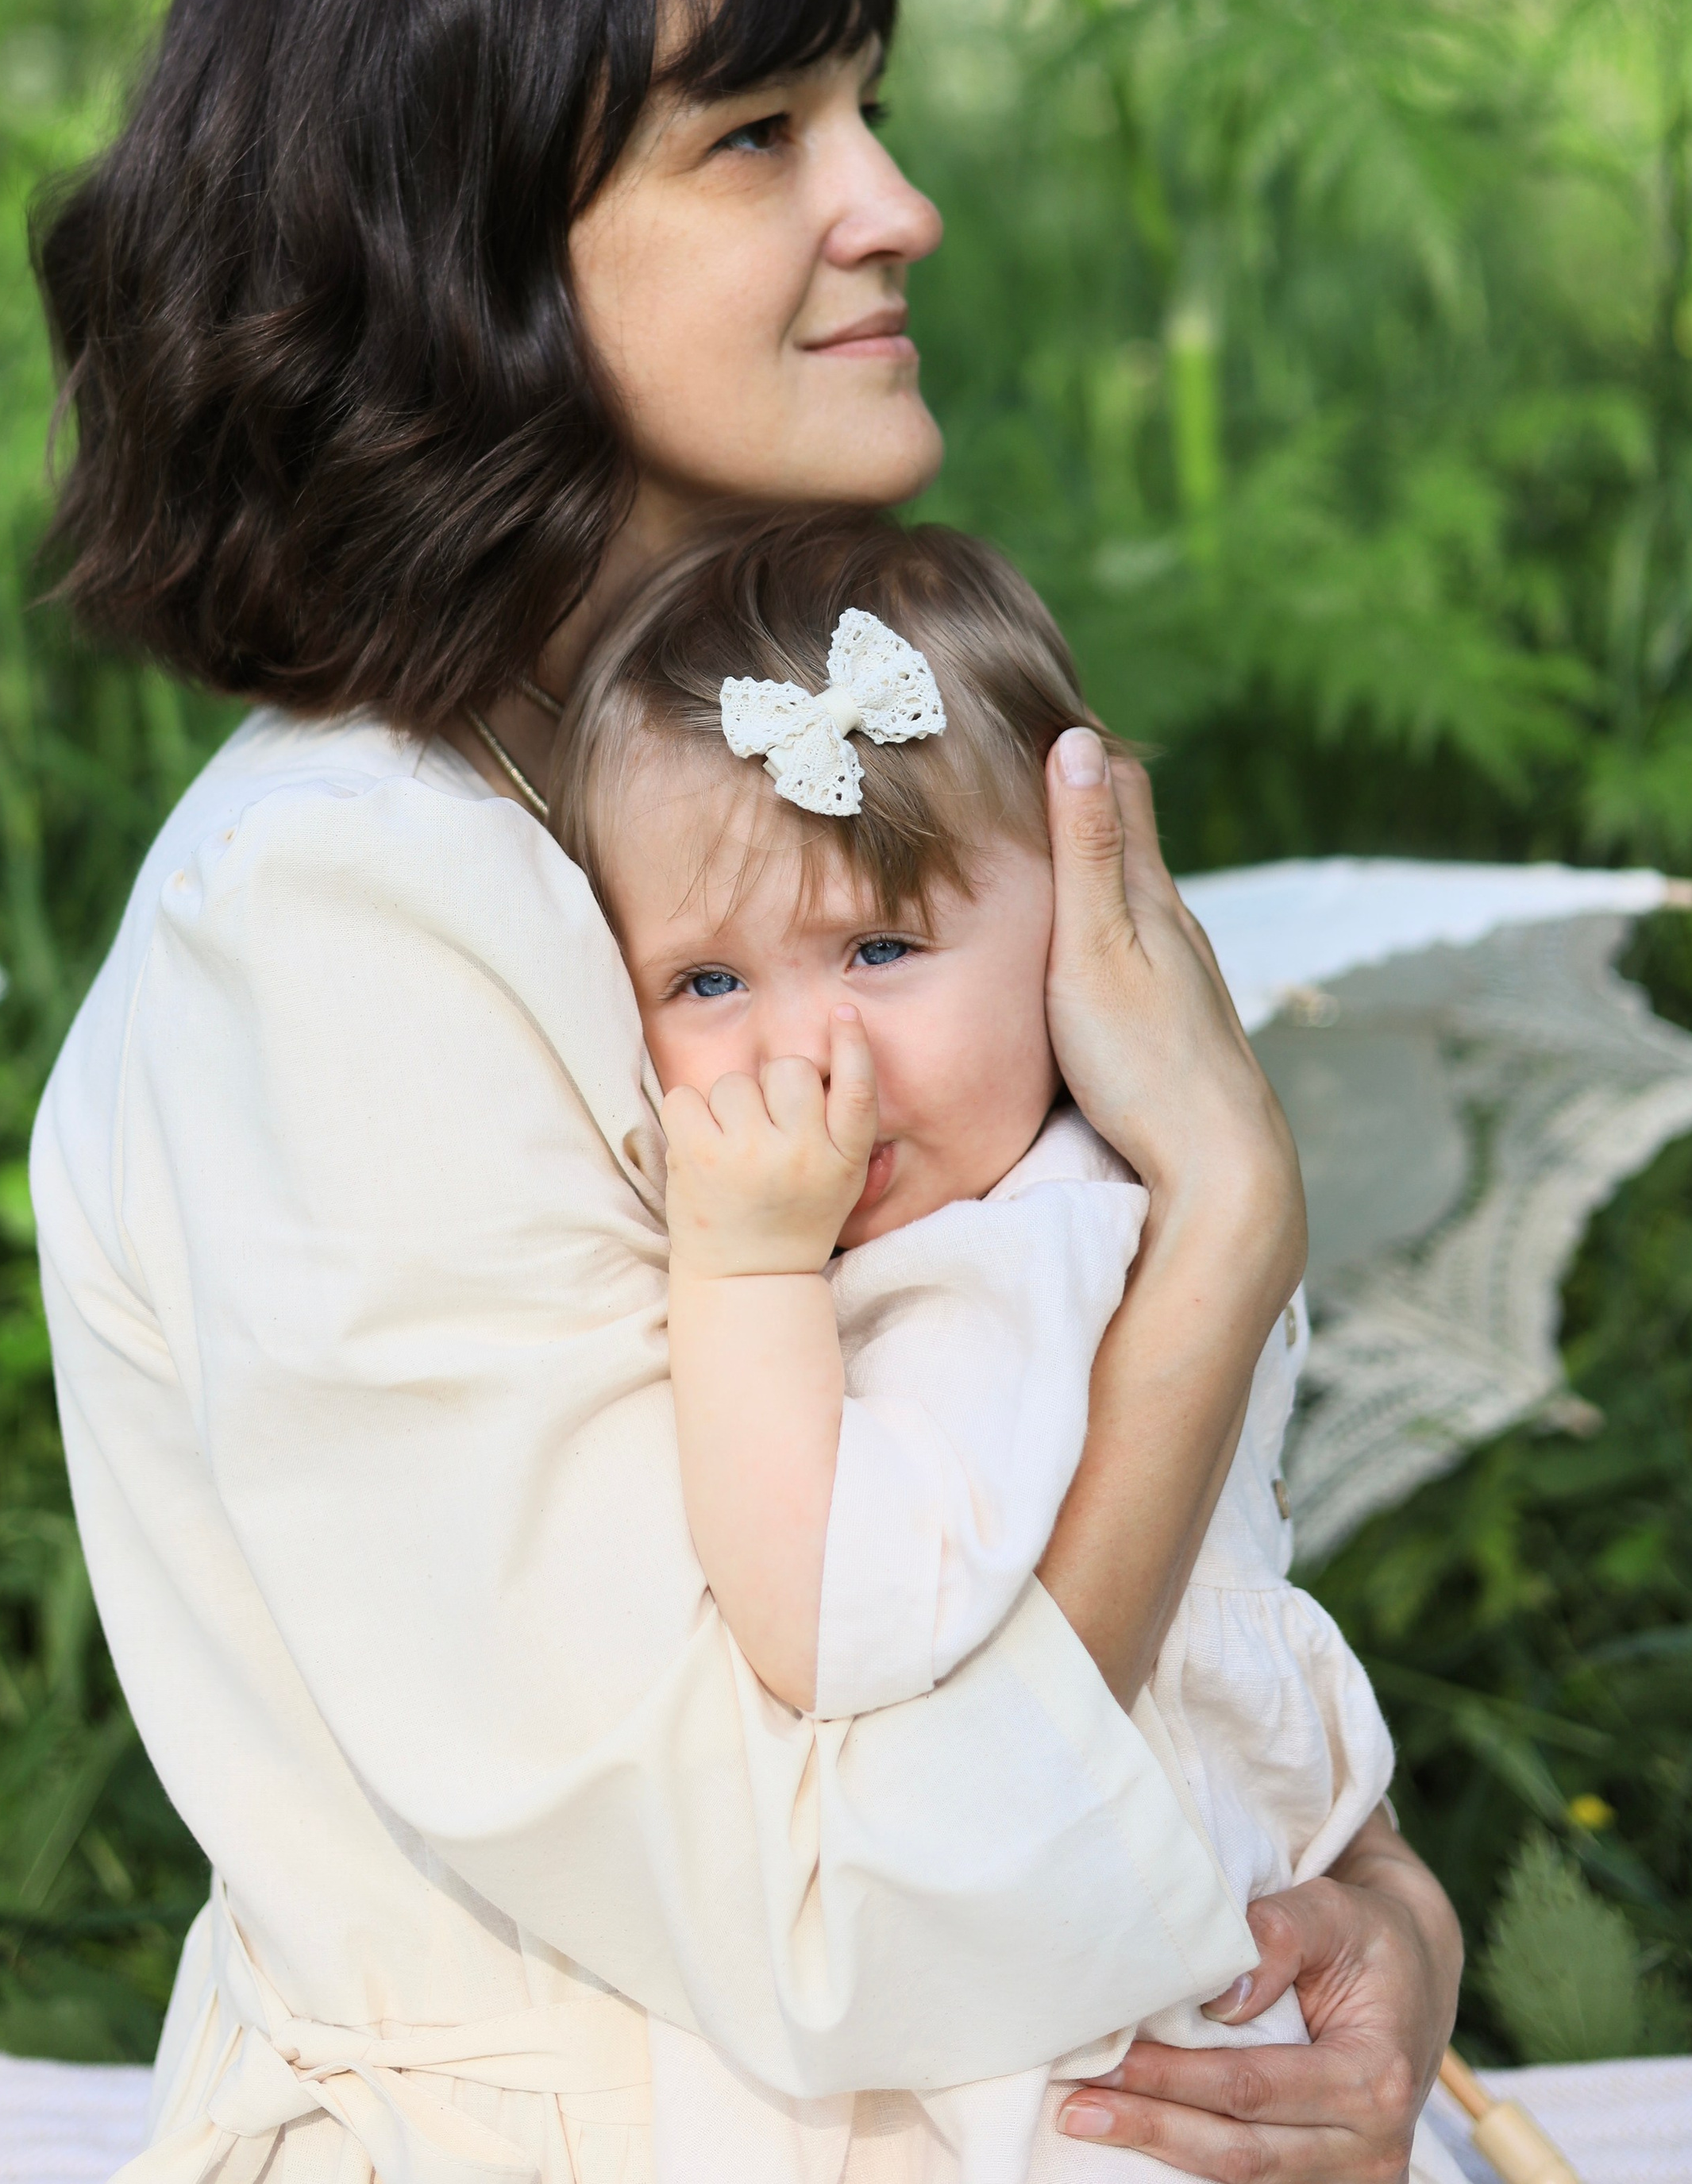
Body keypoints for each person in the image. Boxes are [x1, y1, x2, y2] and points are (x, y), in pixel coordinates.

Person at [30, 0, 1462, 2184]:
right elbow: (813, 1928)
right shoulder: (345, 919)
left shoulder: (863, 769)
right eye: (757, 135)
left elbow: (1132, 1546)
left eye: (869, 110)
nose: (895, 205)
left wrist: (1379, 1913)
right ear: (451, 236)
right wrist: (1219, 1231)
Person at [549, 511, 1458, 2182]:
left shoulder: (1013, 1269)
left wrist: (741, 1261)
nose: (806, 1043)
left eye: (880, 948)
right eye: (702, 978)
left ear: (1073, 929)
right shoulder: (1102, 1200)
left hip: (1076, 2082)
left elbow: (833, 1615)